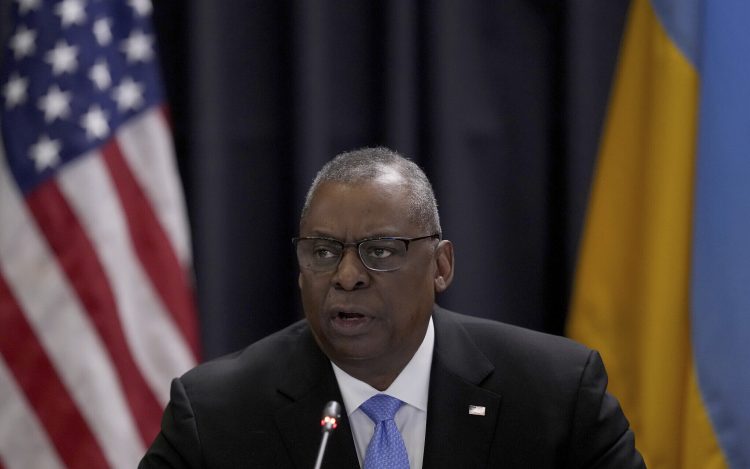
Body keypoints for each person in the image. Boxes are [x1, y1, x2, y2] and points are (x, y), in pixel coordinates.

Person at [140, 147, 645, 468]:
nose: (347, 275)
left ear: (441, 266)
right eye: (323, 252)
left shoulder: (556, 396)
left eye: (380, 251)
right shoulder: (216, 415)